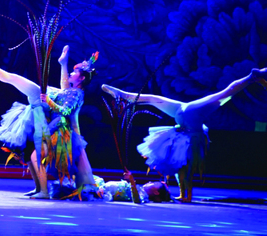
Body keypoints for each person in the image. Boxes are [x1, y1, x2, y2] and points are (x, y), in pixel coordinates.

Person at [102, 67, 267, 202]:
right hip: (187, 115)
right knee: (225, 94)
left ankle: (123, 95)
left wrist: (185, 195)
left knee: (153, 99)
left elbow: (184, 171)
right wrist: (185, 195)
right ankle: (252, 77)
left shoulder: (186, 143)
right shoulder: (190, 143)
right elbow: (185, 170)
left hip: (184, 113)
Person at [0, 49, 54, 199]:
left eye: (74, 73)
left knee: (12, 78)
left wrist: (64, 64)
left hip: (45, 103)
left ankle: (44, 191)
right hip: (39, 109)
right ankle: (39, 188)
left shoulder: (72, 93)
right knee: (29, 156)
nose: (71, 74)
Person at [41, 48, 98, 197]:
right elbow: (64, 86)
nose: (71, 74)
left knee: (62, 161)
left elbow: (65, 111)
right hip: (55, 123)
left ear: (82, 78)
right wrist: (87, 62)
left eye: (74, 72)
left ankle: (56, 188)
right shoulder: (71, 91)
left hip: (61, 128)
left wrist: (48, 101)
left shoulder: (77, 93)